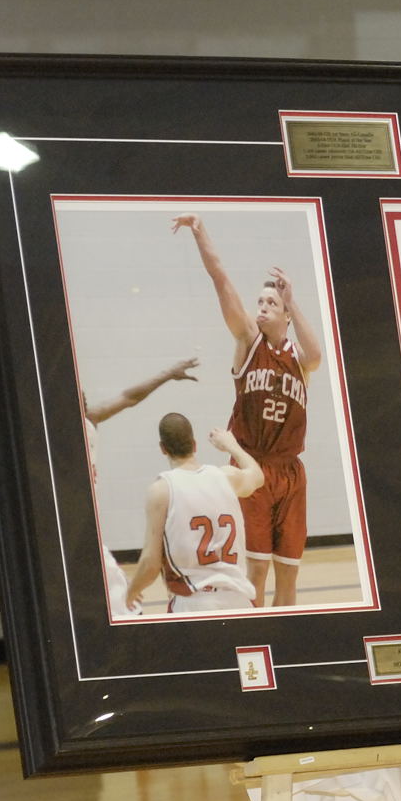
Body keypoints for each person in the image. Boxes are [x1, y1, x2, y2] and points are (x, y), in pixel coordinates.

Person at [172, 213, 322, 607]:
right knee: (255, 572)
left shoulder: (299, 359)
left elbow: (317, 354)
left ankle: (287, 645)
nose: (262, 306)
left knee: (289, 574)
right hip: (251, 469)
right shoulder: (248, 340)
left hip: (291, 472)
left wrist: (293, 300)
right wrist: (200, 232)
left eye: (271, 302)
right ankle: (261, 645)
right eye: (260, 301)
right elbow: (221, 278)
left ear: (287, 313)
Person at [82, 356, 201, 617]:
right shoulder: (61, 436)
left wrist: (168, 373)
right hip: (77, 535)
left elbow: (129, 397)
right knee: (124, 606)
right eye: (80, 395)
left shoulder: (88, 422)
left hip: (88, 535)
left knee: (120, 603)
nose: (85, 397)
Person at [125, 416, 264, 613]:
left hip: (193, 602)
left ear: (163, 448)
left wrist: (131, 592)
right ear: (194, 444)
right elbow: (257, 476)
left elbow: (151, 563)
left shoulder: (162, 490)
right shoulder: (227, 476)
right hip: (239, 599)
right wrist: (232, 446)